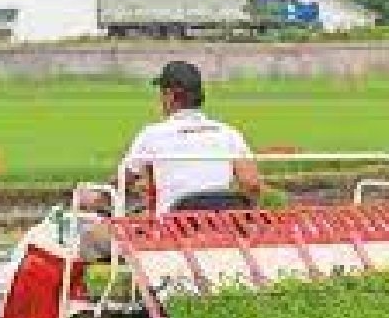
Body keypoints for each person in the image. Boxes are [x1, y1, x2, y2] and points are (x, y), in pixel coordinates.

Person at [81, 61, 262, 216]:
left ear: (169, 96)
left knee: (92, 239)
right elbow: (252, 184)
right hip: (222, 231)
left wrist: (97, 198)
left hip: (169, 232)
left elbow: (121, 182)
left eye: (161, 93)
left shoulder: (152, 135)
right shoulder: (229, 133)